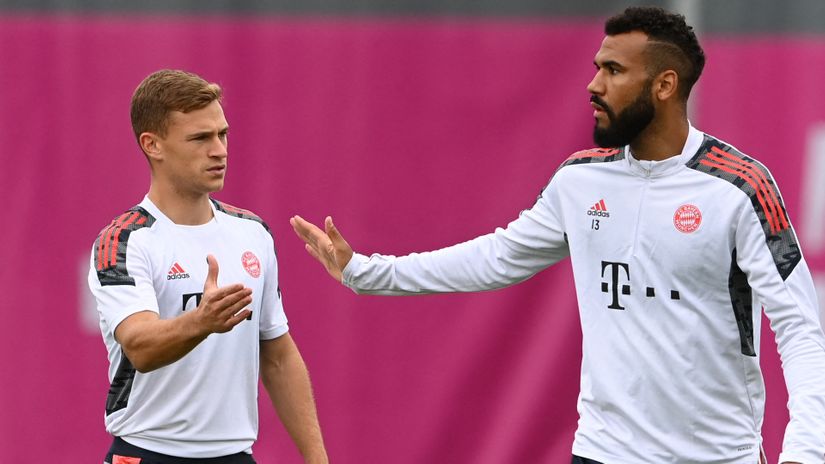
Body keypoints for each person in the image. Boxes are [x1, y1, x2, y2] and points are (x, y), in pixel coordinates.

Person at [291, 6, 825, 464]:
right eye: (597, 68)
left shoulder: (740, 186)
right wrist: (366, 270)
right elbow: (497, 257)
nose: (593, 85)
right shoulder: (580, 179)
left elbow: (799, 327)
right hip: (601, 451)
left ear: (664, 85)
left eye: (614, 71)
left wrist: (804, 451)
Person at [88, 69, 328, 464]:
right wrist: (202, 321)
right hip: (148, 453)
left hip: (235, 456)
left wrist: (318, 460)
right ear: (153, 145)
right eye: (200, 138)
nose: (219, 150)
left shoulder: (252, 233)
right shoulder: (124, 240)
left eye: (223, 134)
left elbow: (279, 355)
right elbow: (141, 347)